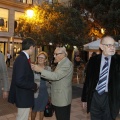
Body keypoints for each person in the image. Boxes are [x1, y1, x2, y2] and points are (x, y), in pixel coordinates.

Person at [81, 35, 120, 120]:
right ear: (101, 46)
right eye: (108, 45)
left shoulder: (118, 61)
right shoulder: (93, 60)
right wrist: (84, 98)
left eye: (113, 45)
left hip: (110, 98)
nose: (112, 47)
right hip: (95, 96)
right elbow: (88, 81)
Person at [31, 47, 73, 120]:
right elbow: (56, 78)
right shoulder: (61, 63)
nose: (54, 56)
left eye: (56, 54)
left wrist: (40, 70)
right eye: (54, 54)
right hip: (58, 98)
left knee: (62, 117)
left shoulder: (66, 64)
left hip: (62, 99)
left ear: (63, 54)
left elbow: (56, 76)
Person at [8, 37, 38, 120]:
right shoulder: (22, 59)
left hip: (24, 96)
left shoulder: (23, 58)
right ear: (31, 47)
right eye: (34, 48)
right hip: (23, 96)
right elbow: (19, 81)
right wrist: (33, 85)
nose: (34, 50)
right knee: (22, 118)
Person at [31, 51, 51, 120]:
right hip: (36, 92)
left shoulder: (48, 69)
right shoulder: (33, 68)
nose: (40, 59)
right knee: (34, 110)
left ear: (45, 60)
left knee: (42, 109)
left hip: (45, 93)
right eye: (39, 57)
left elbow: (50, 82)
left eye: (42, 58)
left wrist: (50, 94)